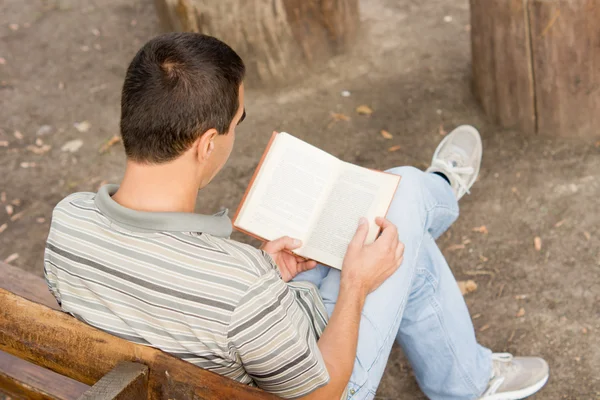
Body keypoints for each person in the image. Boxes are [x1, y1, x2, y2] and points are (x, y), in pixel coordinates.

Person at [44, 32, 549, 400]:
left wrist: (263, 277)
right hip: (315, 384)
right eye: (239, 120)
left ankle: (467, 379)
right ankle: (439, 190)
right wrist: (352, 286)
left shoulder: (67, 223)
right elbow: (323, 390)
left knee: (394, 227)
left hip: (204, 362)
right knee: (405, 197)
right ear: (207, 144)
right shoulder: (238, 286)